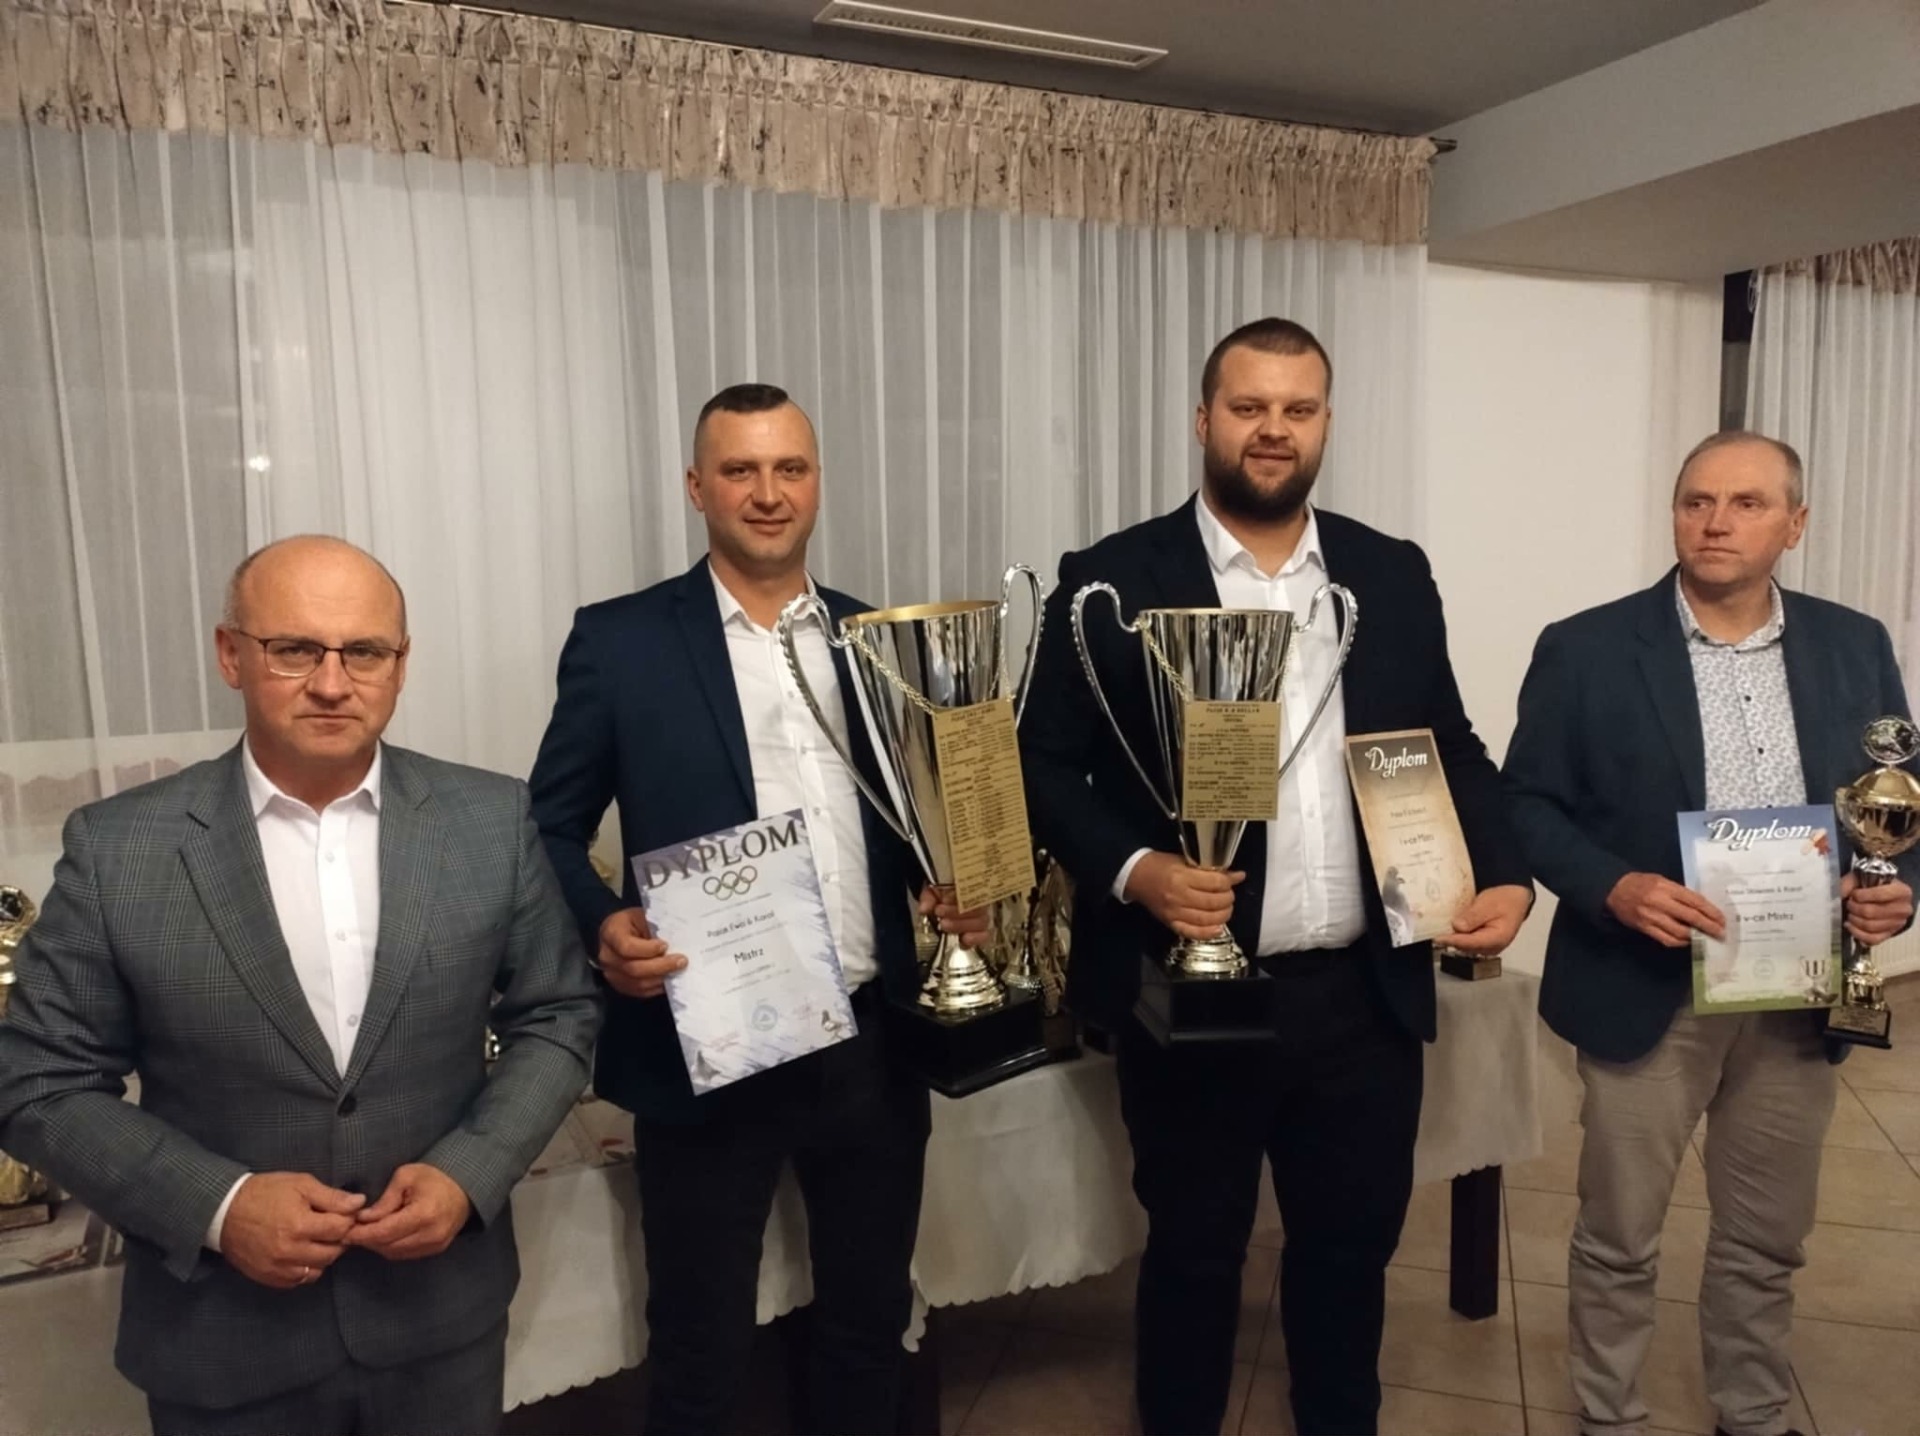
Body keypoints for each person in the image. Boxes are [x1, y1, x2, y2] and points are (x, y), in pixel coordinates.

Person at [1020, 318, 1534, 1436]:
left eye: (1297, 409)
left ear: (1326, 425)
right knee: (1195, 1253)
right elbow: (1040, 762)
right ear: (1203, 419)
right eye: (1249, 407)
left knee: (1349, 1255)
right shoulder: (1109, 579)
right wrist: (1137, 870)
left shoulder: (1389, 572)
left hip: (1362, 996)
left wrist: (1505, 872)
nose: (1273, 429)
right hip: (1192, 990)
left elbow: (1448, 740)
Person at [0, 536, 601, 1436]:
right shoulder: (120, 847)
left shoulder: (488, 818)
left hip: (438, 1328)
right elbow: (37, 1082)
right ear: (231, 654)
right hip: (224, 1339)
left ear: (400, 664)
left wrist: (470, 1171)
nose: (331, 683)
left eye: (364, 652)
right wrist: (218, 1205)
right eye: (294, 649)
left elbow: (556, 1014)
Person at [528, 383, 982, 1436]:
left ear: (817, 483)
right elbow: (545, 825)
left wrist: (951, 887)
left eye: (790, 469)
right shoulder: (621, 642)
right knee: (701, 1345)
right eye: (740, 470)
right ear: (698, 487)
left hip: (870, 1043)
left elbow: (918, 823)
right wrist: (601, 923)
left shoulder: (879, 638)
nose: (767, 493)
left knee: (868, 1323)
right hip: (705, 1046)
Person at [1502, 431, 1917, 1436]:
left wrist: (1894, 887)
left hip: (1799, 985)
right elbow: (1524, 805)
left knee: (1767, 1235)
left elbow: (1897, 799)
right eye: (1697, 501)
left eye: (1745, 503)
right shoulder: (1587, 647)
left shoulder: (1855, 644)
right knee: (1620, 1234)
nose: (1716, 521)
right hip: (1644, 983)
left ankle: (1753, 1410)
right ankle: (1610, 1414)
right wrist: (1614, 887)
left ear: (1795, 524)